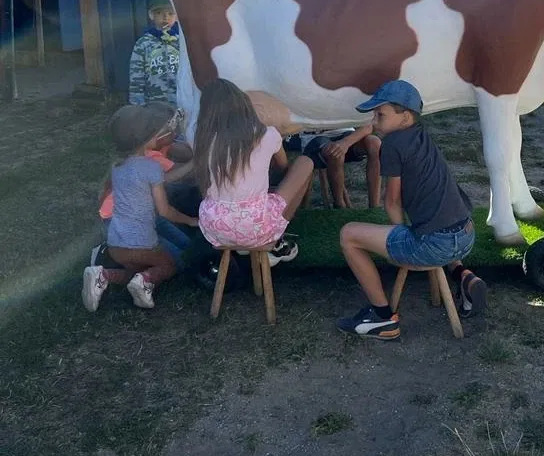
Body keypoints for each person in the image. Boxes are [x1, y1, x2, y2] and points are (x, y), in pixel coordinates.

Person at [336, 80, 488, 340]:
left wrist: (399, 241)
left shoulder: (393, 145)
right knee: (437, 221)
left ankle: (382, 317)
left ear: (404, 116)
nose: (374, 120)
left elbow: (392, 201)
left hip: (435, 244)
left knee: (348, 234)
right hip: (466, 234)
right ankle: (462, 274)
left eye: (380, 114)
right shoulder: (421, 135)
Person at [81, 104, 199, 312]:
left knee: (141, 263)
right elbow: (165, 210)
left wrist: (193, 163)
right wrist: (191, 220)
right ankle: (145, 280)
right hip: (141, 235)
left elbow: (164, 180)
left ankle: (104, 274)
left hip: (117, 237)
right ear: (147, 136)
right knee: (178, 262)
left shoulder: (118, 165)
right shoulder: (151, 164)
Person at [193, 79, 314, 266]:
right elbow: (282, 167)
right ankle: (275, 240)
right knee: (304, 163)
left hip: (214, 227)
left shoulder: (202, 138)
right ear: (242, 104)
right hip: (255, 226)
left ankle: (247, 242)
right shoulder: (266, 133)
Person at [301, 126, 382, 208]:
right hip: (314, 135)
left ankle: (374, 207)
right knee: (335, 153)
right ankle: (339, 205)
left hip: (345, 131)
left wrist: (345, 143)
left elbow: (369, 125)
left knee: (374, 143)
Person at [128, 0, 180, 107]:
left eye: (170, 13)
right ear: (151, 15)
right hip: (153, 105)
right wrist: (137, 106)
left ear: (177, 16)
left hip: (180, 103)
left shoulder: (183, 42)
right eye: (159, 13)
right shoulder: (143, 44)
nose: (165, 17)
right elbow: (136, 77)